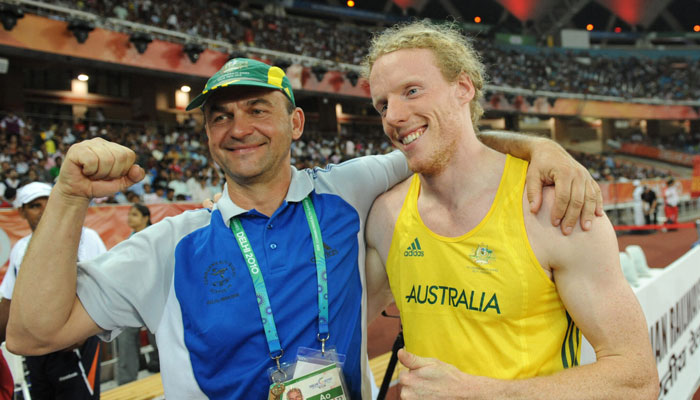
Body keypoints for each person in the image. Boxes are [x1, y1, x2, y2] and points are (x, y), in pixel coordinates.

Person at [7, 58, 600, 399]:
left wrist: (540, 146)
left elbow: (450, 141)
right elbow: (32, 335)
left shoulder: (349, 188)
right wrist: (68, 195)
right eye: (221, 117)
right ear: (208, 135)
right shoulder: (172, 245)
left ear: (294, 121)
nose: (239, 128)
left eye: (257, 110)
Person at [363, 21, 657, 399]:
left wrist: (480, 392)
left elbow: (636, 380)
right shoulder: (385, 216)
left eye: (412, 91)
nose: (393, 117)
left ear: (463, 88)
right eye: (382, 105)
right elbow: (335, 323)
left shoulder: (555, 208)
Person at [0, 182, 106, 400]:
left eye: (49, 204)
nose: (44, 211)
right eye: (35, 206)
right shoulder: (21, 248)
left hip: (74, 346)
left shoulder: (86, 237)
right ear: (21, 211)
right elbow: (9, 301)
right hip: (35, 351)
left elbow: (104, 289)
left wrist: (81, 334)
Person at [115, 203, 160, 384]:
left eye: (134, 214)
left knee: (159, 337)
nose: (130, 218)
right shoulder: (130, 239)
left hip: (156, 295)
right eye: (129, 214)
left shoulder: (157, 236)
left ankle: (164, 368)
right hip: (133, 296)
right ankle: (126, 382)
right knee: (125, 336)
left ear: (145, 217)